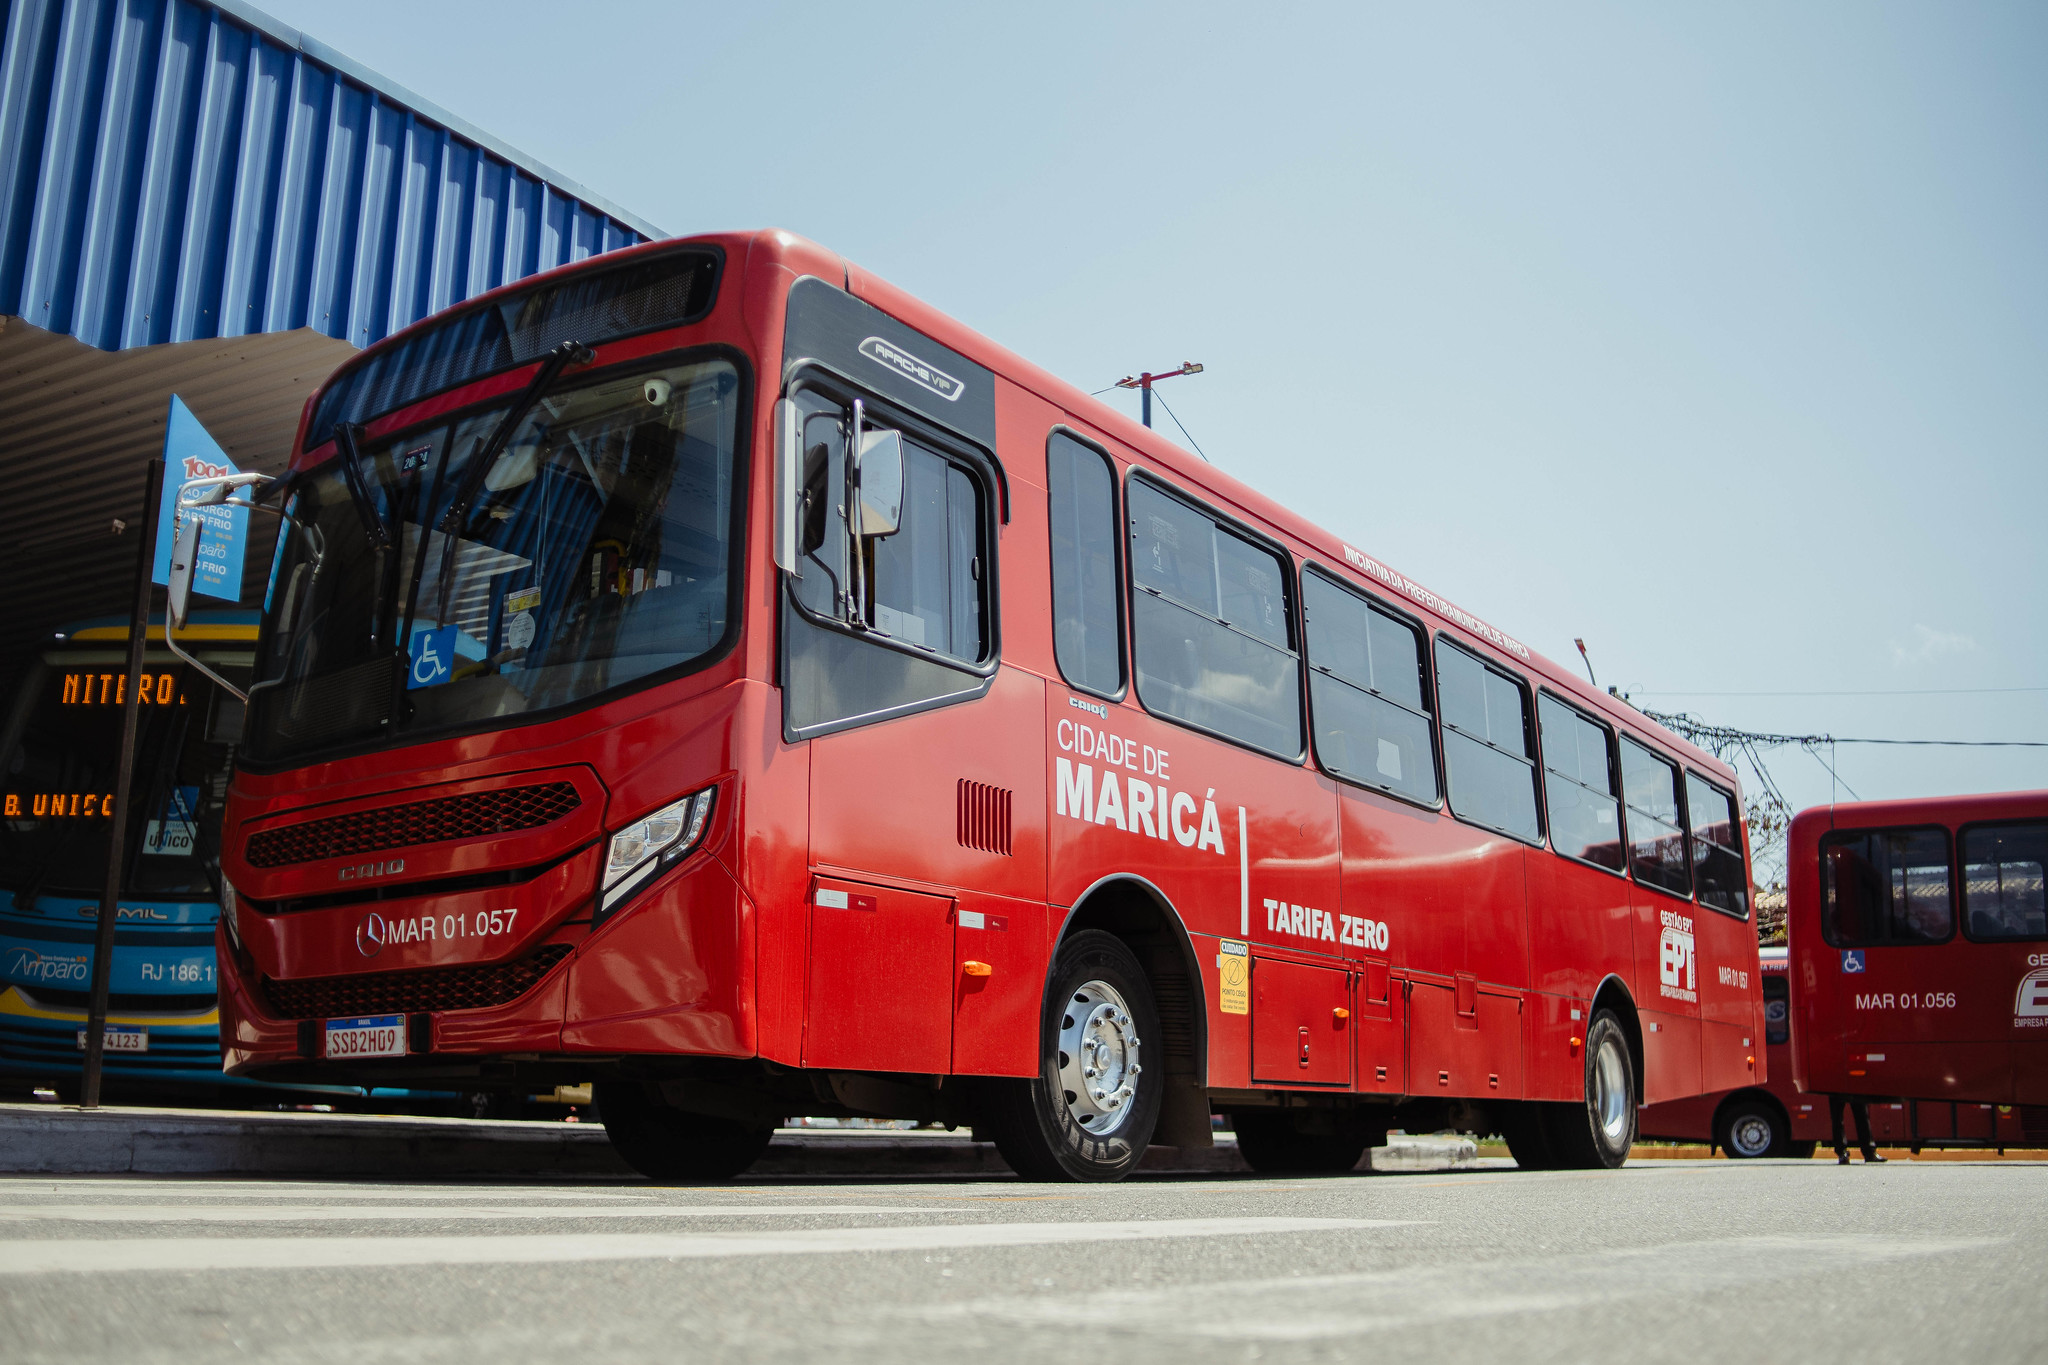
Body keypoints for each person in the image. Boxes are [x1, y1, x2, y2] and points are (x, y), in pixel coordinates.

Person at [1829, 1093, 1888, 1164]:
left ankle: (1869, 1152)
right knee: (1837, 1117)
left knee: (1862, 1114)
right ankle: (1842, 1153)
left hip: (1855, 1085)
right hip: (1837, 1086)